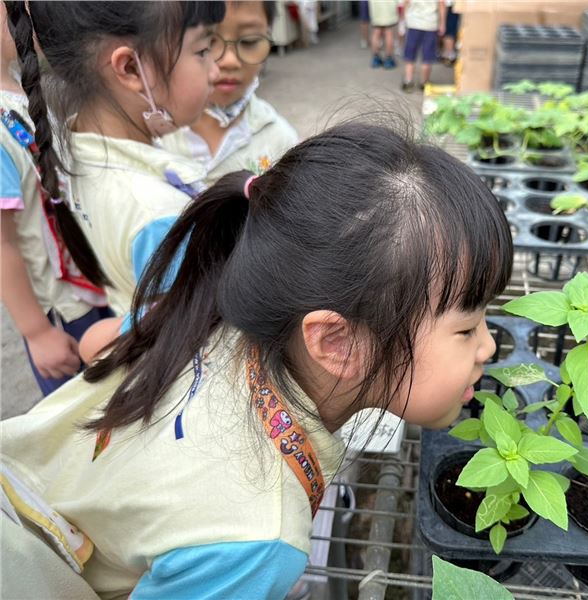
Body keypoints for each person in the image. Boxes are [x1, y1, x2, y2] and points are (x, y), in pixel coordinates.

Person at [0, 122, 513, 598]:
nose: (488, 347)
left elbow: (95, 343)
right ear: (337, 343)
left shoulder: (210, 309)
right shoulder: (256, 539)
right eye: (466, 328)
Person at [5, 1, 224, 318]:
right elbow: (204, 333)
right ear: (131, 68)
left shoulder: (72, 148)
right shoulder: (160, 216)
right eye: (202, 51)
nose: (215, 70)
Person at [1, 3, 111, 396]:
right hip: (65, 312)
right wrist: (36, 332)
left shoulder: (22, 92)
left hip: (92, 284)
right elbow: (2, 243)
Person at [161, 0, 299, 188]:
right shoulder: (152, 135)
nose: (229, 61)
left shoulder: (281, 142)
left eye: (249, 41)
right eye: (208, 41)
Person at [401, 0, 445, 92]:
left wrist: (403, 20)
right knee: (427, 55)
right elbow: (441, 4)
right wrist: (442, 23)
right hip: (430, 25)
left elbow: (406, 3)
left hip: (413, 24)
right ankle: (424, 82)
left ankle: (408, 81)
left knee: (410, 53)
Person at [368, 0, 399, 69]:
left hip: (376, 6)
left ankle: (376, 58)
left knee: (376, 31)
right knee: (388, 31)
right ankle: (388, 59)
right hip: (388, 6)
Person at [441, 0, 460, 67]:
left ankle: (448, 54)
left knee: (450, 29)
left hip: (452, 5)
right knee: (450, 30)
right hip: (450, 5)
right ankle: (449, 54)